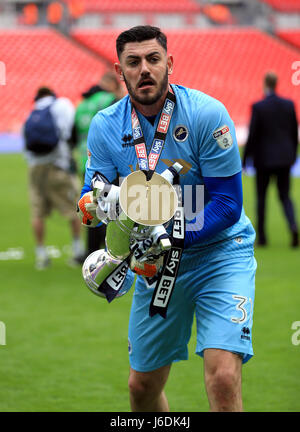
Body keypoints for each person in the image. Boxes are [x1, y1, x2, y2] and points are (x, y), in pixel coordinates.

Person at [78, 26, 256, 412]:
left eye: (153, 59)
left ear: (169, 64)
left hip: (220, 255)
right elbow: (91, 197)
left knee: (223, 376)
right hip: (155, 266)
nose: (144, 69)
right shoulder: (106, 127)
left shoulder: (208, 114)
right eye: (134, 62)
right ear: (119, 70)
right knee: (142, 387)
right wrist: (96, 207)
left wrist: (172, 237)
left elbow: (227, 204)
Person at [24, 86, 85, 269]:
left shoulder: (31, 114)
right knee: (73, 208)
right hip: (58, 165)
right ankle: (77, 249)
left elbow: (26, 148)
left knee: (37, 212)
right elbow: (69, 133)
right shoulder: (61, 105)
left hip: (35, 168)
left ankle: (41, 254)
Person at [243, 71, 299, 247]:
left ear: (265, 84)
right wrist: (292, 156)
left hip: (264, 161)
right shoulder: (289, 104)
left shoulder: (259, 106)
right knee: (285, 196)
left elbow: (252, 135)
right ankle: (293, 226)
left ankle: (262, 237)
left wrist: (245, 160)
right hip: (284, 159)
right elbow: (293, 133)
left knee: (262, 198)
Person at [74, 73, 123, 256]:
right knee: (111, 208)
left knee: (91, 205)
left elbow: (72, 136)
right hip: (108, 162)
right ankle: (110, 251)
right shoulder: (110, 100)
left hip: (84, 161)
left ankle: (90, 252)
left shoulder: (82, 105)